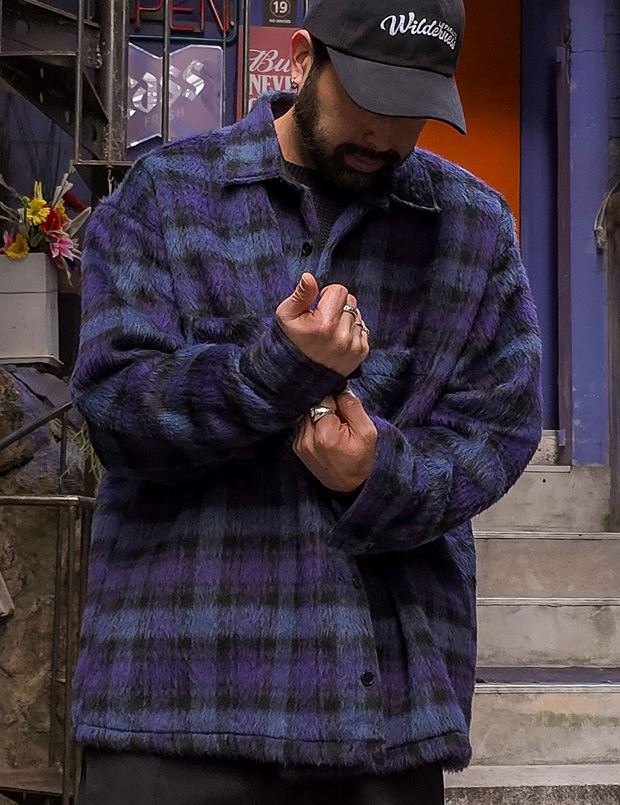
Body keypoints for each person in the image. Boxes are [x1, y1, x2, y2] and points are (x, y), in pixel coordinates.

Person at [70, 0, 542, 802]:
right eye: (367, 97)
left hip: (381, 720)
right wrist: (271, 371)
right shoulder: (166, 196)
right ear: (302, 58)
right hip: (172, 705)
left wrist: (381, 473)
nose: (385, 134)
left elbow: (499, 427)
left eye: (413, 110)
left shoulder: (472, 228)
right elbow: (115, 406)